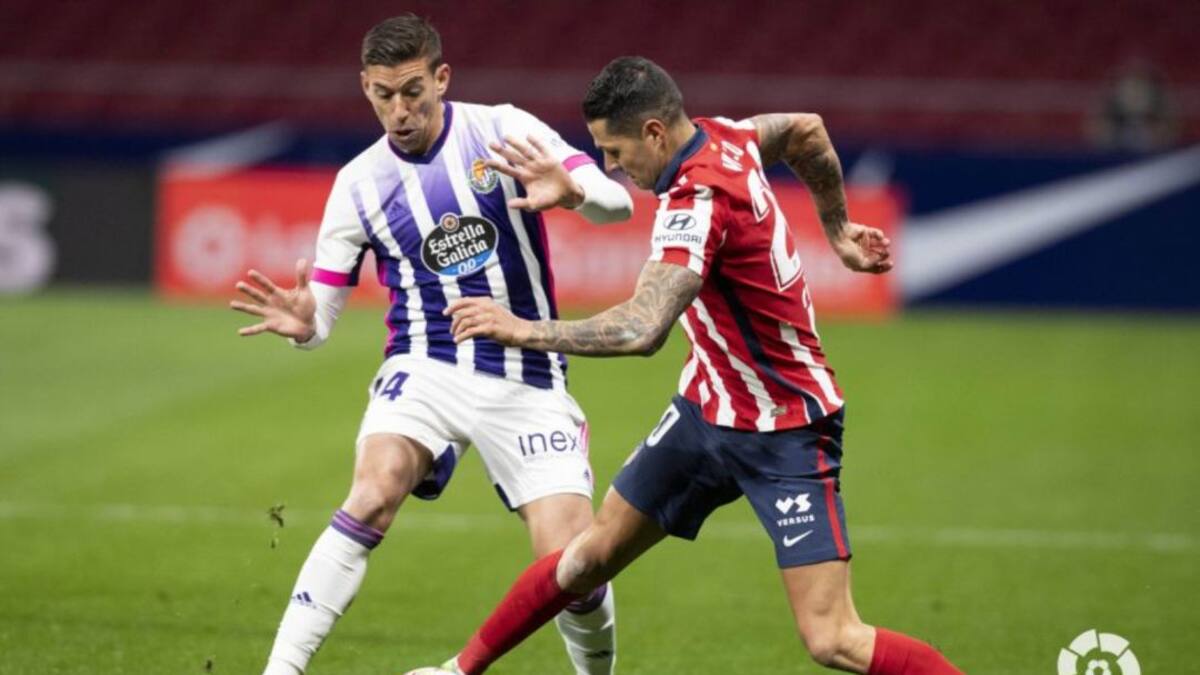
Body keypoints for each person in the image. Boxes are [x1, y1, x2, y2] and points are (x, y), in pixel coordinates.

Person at [409, 57, 963, 674]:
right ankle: (454, 672)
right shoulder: (727, 134)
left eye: (614, 151)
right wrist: (835, 230)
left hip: (786, 429)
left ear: (653, 132)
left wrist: (520, 329)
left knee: (832, 638)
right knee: (585, 560)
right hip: (705, 414)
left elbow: (641, 328)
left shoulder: (696, 203)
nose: (612, 166)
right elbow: (805, 130)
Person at [229, 15, 633, 675]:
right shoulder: (358, 183)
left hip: (525, 371)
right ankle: (281, 669)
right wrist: (305, 322)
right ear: (365, 88)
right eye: (383, 93)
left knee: (574, 564)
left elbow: (618, 203)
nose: (400, 109)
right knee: (373, 491)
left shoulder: (503, 130)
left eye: (413, 89)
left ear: (442, 77)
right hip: (425, 364)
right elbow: (322, 313)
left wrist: (574, 190)